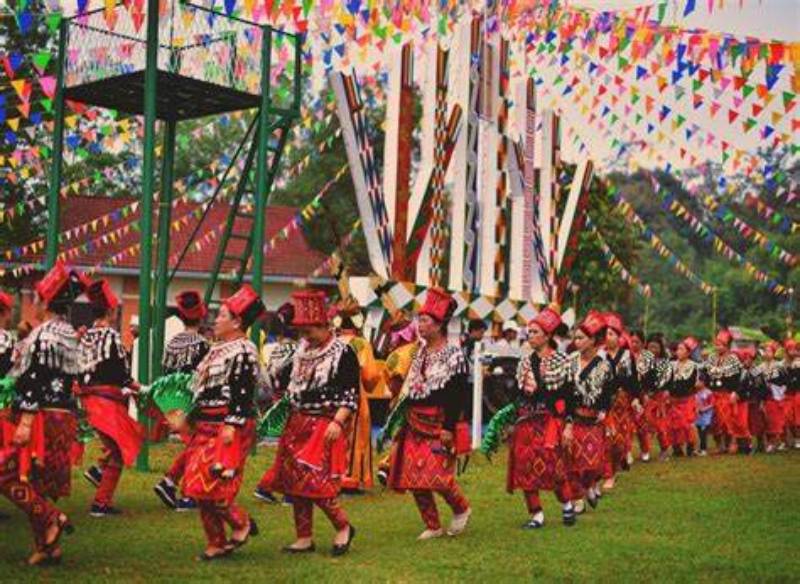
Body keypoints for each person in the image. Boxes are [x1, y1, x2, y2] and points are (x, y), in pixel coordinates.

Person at [0, 262, 86, 565]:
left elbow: (34, 377)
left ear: (46, 301)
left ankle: (51, 519)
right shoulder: (68, 333)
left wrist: (24, 419)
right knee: (37, 482)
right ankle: (47, 547)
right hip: (63, 416)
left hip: (40, 417)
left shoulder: (43, 335)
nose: (32, 304)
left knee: (6, 474)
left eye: (35, 298)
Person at [260, 290, 357, 555]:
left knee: (315, 481)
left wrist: (338, 422)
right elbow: (291, 384)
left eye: (310, 330)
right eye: (302, 331)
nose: (305, 336)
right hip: (296, 422)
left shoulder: (343, 352)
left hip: (324, 423)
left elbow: (350, 394)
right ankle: (304, 537)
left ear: (325, 325)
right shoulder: (302, 349)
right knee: (295, 482)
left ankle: (343, 526)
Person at [180, 285, 263, 561]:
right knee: (196, 484)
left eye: (222, 315)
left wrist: (232, 424)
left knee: (217, 486)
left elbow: (243, 390)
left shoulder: (244, 351)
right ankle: (216, 542)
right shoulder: (216, 349)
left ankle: (241, 522)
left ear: (237, 322)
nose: (215, 319)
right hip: (206, 425)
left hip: (230, 425)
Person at [388, 288, 472, 540]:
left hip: (438, 422)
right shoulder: (420, 352)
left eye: (425, 320)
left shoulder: (454, 355)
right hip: (413, 420)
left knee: (439, 476)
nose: (419, 325)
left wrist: (448, 427)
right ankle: (432, 524)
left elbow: (457, 395)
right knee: (413, 475)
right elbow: (411, 383)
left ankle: (461, 508)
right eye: (419, 319)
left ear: (439, 325)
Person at [77, 279, 143, 517]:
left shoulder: (85, 336)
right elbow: (120, 374)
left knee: (116, 447)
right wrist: (141, 389)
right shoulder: (112, 337)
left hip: (86, 400)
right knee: (120, 449)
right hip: (105, 402)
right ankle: (101, 502)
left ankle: (98, 476)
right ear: (111, 310)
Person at [507, 306, 575, 528]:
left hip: (550, 422)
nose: (530, 336)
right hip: (527, 421)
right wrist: (511, 421)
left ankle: (566, 503)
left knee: (553, 467)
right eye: (529, 332)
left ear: (548, 336)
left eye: (535, 332)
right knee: (525, 467)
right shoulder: (525, 362)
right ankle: (536, 514)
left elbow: (570, 397)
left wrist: (568, 426)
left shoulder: (562, 361)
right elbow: (518, 395)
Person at [153, 290, 210, 511]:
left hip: (170, 401)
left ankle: (171, 483)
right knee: (196, 446)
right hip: (190, 402)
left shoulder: (172, 342)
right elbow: (202, 377)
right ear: (201, 315)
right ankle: (185, 492)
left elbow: (166, 372)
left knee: (193, 445)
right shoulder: (202, 344)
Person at [333, 296, 385, 493]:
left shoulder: (332, 342)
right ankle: (352, 478)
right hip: (355, 397)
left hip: (332, 397)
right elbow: (371, 376)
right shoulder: (361, 344)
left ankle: (333, 475)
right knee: (356, 438)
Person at [565, 312, 615, 509]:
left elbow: (609, 393)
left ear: (593, 340)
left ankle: (589, 485)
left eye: (580, 338)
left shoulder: (605, 366)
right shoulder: (569, 361)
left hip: (594, 420)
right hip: (573, 418)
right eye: (575, 338)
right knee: (572, 463)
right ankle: (577, 498)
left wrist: (605, 413)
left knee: (592, 464)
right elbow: (564, 390)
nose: (576, 342)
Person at [253, 301, 297, 503]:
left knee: (287, 448)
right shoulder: (300, 350)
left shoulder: (276, 350)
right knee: (295, 448)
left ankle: (268, 486)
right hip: (294, 404)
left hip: (277, 401)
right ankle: (288, 490)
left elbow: (267, 378)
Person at [601, 312, 636, 490]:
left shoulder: (627, 356)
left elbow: (633, 380)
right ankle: (608, 474)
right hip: (603, 402)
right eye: (605, 334)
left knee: (619, 441)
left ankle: (615, 467)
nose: (607, 337)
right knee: (605, 439)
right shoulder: (599, 355)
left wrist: (636, 398)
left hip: (622, 403)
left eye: (611, 334)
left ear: (618, 336)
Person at [704, 329, 743, 454]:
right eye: (716, 344)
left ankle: (732, 442)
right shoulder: (711, 358)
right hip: (713, 393)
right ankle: (719, 444)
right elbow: (706, 375)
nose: (717, 347)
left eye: (720, 345)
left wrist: (735, 392)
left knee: (728, 420)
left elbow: (738, 378)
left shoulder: (733, 359)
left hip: (727, 394)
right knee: (715, 421)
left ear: (727, 346)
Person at [668, 337, 700, 457]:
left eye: (681, 349)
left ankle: (692, 448)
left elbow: (697, 383)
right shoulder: (671, 364)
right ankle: (677, 448)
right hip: (673, 400)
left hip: (687, 399)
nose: (678, 352)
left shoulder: (694, 366)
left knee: (688, 424)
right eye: (677, 349)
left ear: (688, 352)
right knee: (673, 425)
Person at [644, 334, 673, 460]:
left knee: (661, 426)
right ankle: (646, 451)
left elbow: (668, 380)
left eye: (656, 347)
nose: (653, 350)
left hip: (660, 397)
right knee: (647, 424)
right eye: (650, 347)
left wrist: (666, 390)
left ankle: (665, 449)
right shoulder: (643, 361)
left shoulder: (665, 363)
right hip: (647, 397)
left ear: (661, 348)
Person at [628, 330, 655, 462]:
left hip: (643, 393)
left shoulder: (648, 356)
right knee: (627, 424)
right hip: (629, 394)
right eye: (631, 341)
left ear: (643, 343)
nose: (633, 344)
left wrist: (648, 393)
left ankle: (645, 450)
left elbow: (651, 376)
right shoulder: (626, 355)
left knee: (642, 425)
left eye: (636, 342)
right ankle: (626, 452)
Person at [757, 341, 788, 453]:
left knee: (775, 420)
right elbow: (757, 382)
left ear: (773, 353)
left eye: (769, 351)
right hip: (764, 397)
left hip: (775, 397)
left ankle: (773, 442)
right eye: (765, 351)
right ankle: (764, 443)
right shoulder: (760, 367)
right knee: (764, 420)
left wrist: (774, 387)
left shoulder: (779, 366)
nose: (766, 353)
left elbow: (784, 382)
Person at [741, 345, 769, 453]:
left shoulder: (757, 372)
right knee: (746, 423)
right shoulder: (742, 371)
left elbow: (762, 388)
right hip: (745, 401)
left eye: (748, 359)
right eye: (744, 359)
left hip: (755, 400)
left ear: (752, 360)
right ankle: (747, 445)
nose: (746, 361)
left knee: (757, 423)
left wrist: (761, 402)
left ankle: (760, 444)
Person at [782, 339, 799, 449]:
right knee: (787, 417)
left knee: (798, 418)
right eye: (789, 349)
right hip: (787, 393)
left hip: (798, 392)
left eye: (794, 349)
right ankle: (788, 440)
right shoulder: (783, 364)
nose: (792, 351)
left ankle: (798, 439)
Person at [694, 381, 713, 456]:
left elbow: (712, 403)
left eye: (698, 382)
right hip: (697, 415)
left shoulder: (708, 392)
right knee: (697, 433)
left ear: (703, 382)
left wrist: (704, 409)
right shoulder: (695, 392)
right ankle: (697, 449)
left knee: (703, 433)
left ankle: (703, 449)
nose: (696, 383)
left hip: (705, 416)